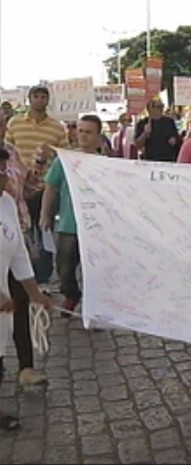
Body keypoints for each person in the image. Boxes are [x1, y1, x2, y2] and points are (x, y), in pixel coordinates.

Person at [0, 146, 53, 431]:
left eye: (5, 172)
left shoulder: (7, 203)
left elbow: (18, 253)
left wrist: (35, 294)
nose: (6, 179)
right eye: (0, 173)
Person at [39, 115, 103, 317]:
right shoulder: (64, 160)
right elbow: (51, 187)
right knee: (64, 269)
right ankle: (72, 294)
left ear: (98, 136)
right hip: (68, 223)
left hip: (95, 226)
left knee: (93, 271)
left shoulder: (104, 163)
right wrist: (45, 214)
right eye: (80, 130)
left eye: (88, 132)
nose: (83, 135)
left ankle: (94, 307)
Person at [5, 85, 68, 289]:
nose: (40, 100)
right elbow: (7, 153)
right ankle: (19, 275)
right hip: (17, 187)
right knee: (21, 230)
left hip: (45, 187)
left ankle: (42, 278)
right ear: (29, 99)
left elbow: (64, 156)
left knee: (44, 231)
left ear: (48, 100)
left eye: (43, 97)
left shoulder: (57, 128)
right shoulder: (14, 124)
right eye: (36, 96)